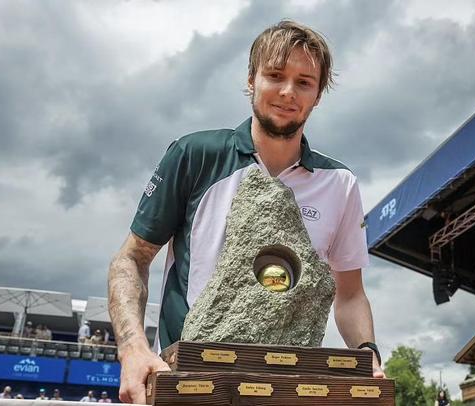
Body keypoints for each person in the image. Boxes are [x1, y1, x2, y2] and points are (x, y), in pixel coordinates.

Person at [108, 20, 383, 404]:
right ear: (252, 79)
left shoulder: (340, 183)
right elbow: (132, 258)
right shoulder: (195, 155)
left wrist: (368, 354)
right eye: (275, 75)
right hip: (188, 382)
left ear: (318, 94)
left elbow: (350, 294)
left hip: (287, 390)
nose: (288, 92)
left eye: (304, 82)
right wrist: (133, 348)